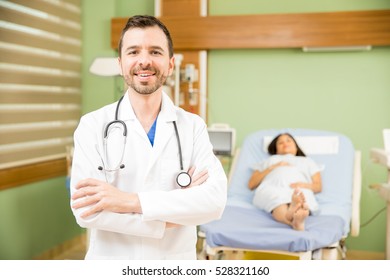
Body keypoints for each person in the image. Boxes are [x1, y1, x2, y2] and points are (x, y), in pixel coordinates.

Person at [70, 15, 227, 260]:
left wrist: (128, 201)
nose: (144, 61)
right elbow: (86, 211)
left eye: (155, 52)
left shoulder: (193, 126)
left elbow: (214, 202)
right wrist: (171, 218)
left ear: (171, 64)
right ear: (121, 64)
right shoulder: (93, 125)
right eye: (134, 52)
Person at [248, 133, 322, 231]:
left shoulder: (307, 161)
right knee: (275, 198)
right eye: (280, 143)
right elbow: (251, 184)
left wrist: (303, 185)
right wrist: (272, 167)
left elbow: (318, 186)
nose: (285, 143)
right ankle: (295, 221)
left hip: (298, 188)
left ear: (296, 147)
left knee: (301, 197)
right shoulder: (269, 161)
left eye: (288, 140)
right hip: (272, 186)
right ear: (276, 149)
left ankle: (293, 212)